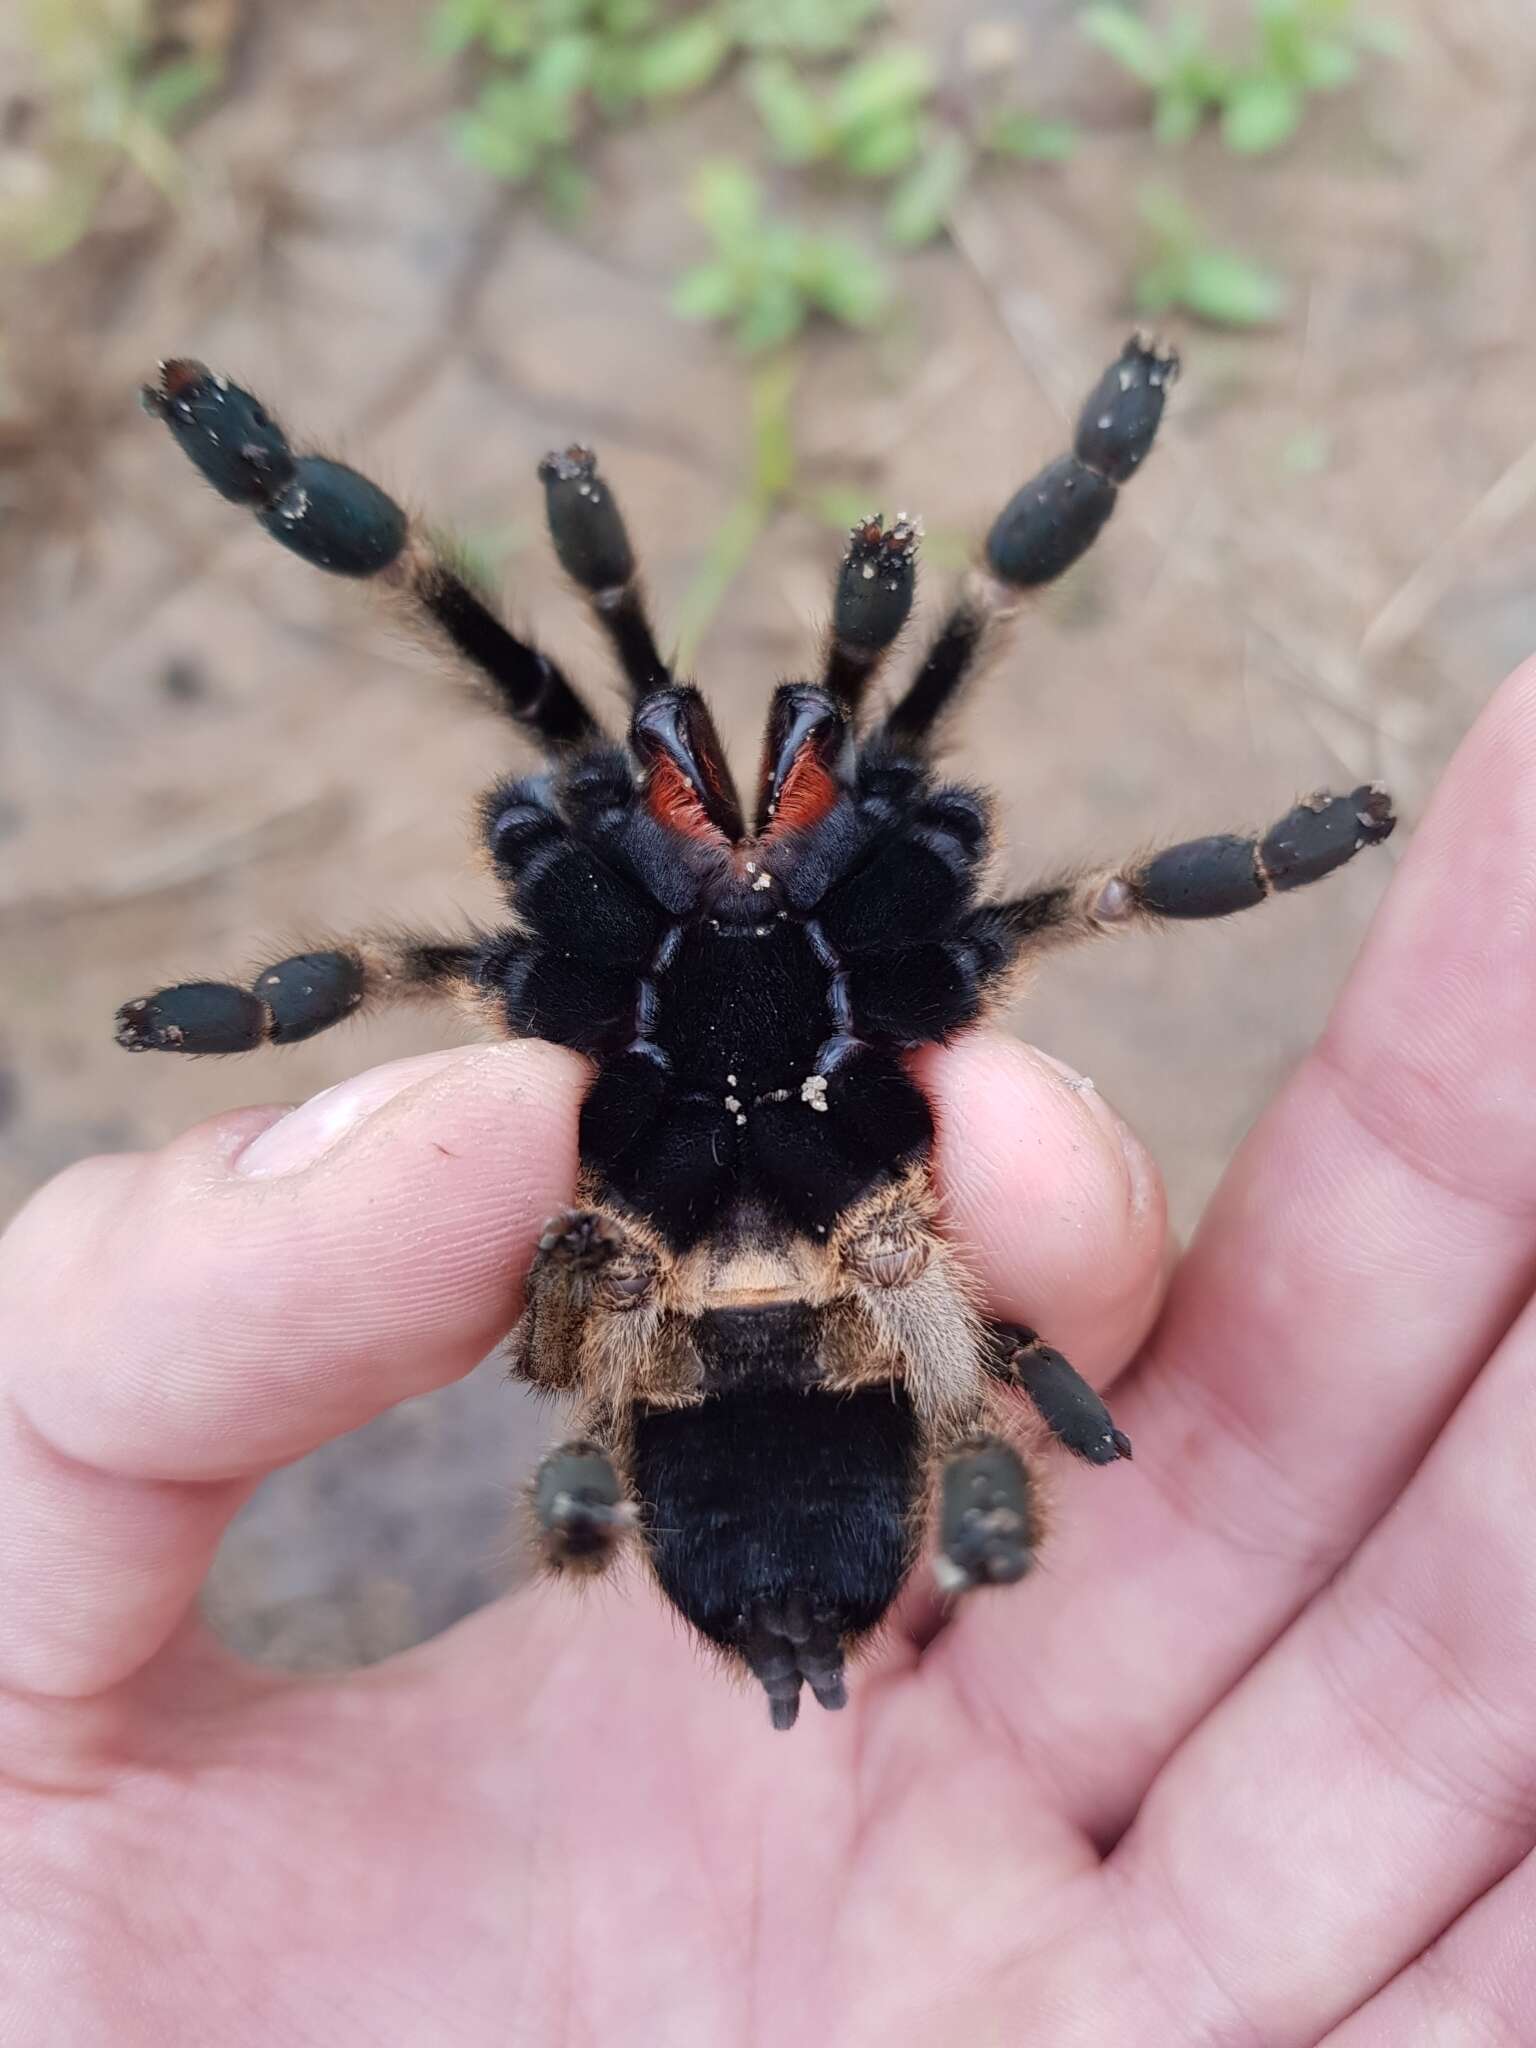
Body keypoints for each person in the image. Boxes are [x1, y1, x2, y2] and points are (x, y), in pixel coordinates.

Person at [4, 659, 1535, 2047]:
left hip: (695, 1276)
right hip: (811, 1251)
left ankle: (719, 1461)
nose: (733, 813)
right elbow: (1104, 895)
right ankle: (867, 1440)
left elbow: (1107, 895)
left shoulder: (639, 964)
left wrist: (1270, 854)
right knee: (844, 1252)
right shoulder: (833, 949)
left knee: (670, 1262)